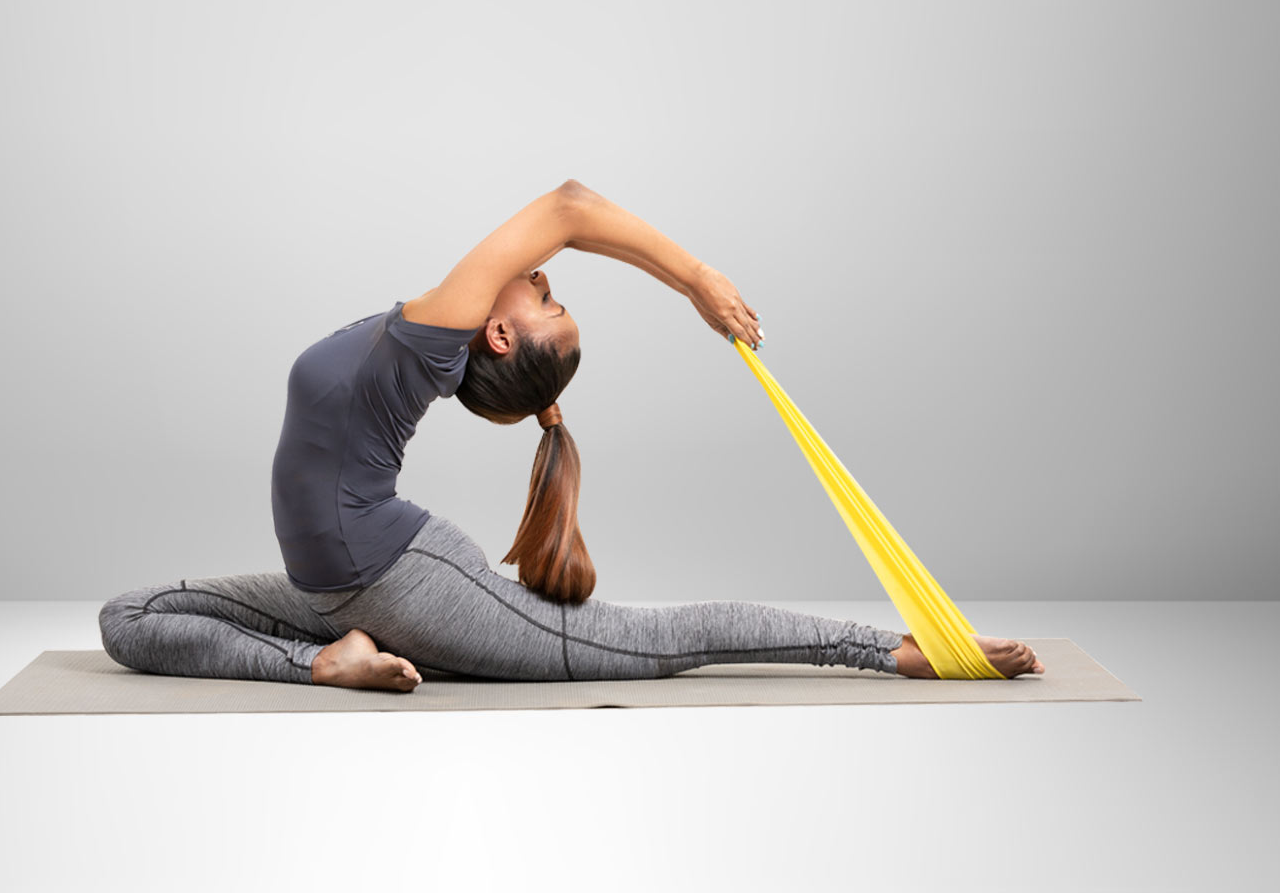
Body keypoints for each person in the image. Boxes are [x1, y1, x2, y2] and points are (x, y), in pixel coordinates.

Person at [98, 180, 1044, 691]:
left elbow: (569, 208)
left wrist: (697, 279)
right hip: (332, 589)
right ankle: (326, 662)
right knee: (128, 619)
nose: (543, 276)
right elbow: (559, 226)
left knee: (651, 643)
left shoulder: (432, 340)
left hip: (403, 578)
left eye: (546, 300)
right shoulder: (427, 326)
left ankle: (892, 650)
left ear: (498, 335)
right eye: (550, 289)